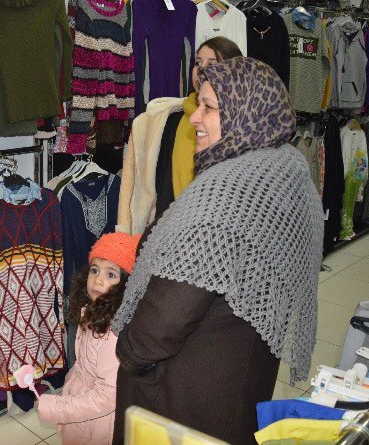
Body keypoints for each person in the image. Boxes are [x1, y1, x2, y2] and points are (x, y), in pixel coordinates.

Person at [111, 57, 324, 445]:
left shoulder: (225, 196)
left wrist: (128, 352)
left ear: (246, 112)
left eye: (209, 108)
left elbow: (167, 313)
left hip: (182, 400)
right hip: (241, 381)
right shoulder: (287, 167)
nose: (194, 118)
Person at [38, 232, 141, 445]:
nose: (98, 280)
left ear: (126, 284)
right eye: (95, 270)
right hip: (81, 406)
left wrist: (60, 408)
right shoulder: (91, 313)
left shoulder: (113, 332)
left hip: (98, 422)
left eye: (111, 274)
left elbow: (107, 396)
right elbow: (82, 367)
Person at [172, 37, 242, 199]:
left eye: (211, 64)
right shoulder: (172, 120)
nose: (201, 69)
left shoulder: (240, 125)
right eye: (198, 62)